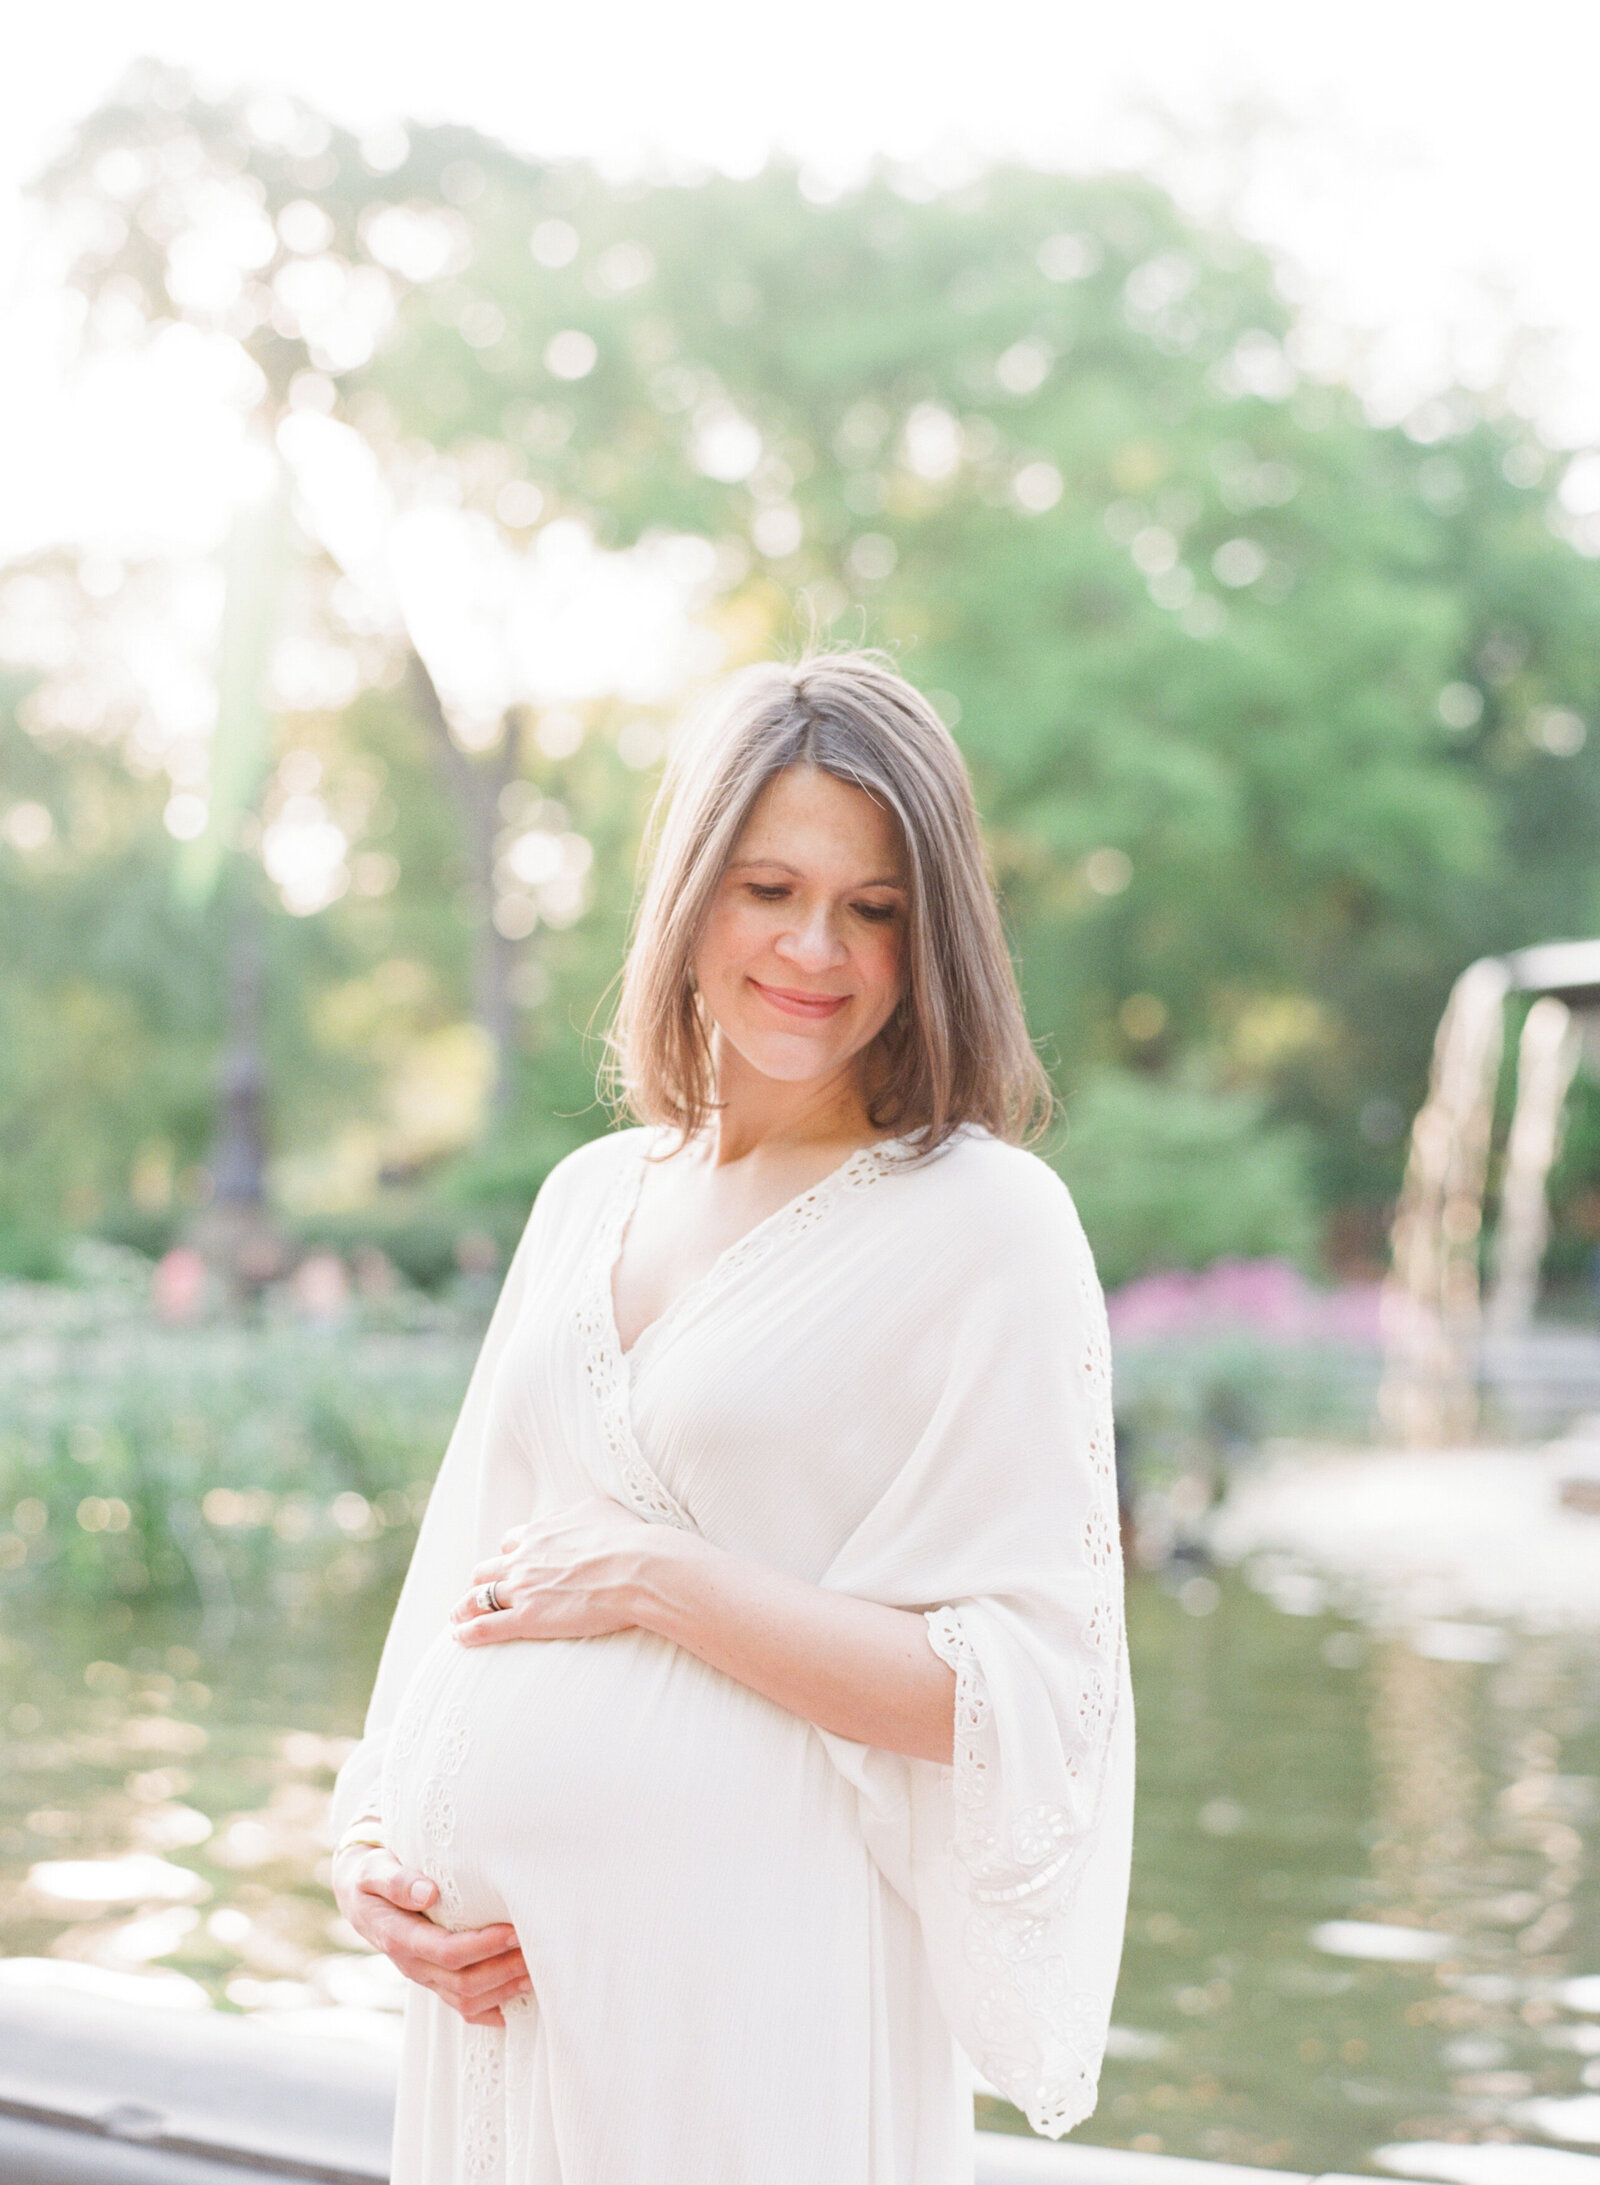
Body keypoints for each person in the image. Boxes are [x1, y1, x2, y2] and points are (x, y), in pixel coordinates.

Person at [330, 652, 1134, 2185]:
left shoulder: (988, 1224)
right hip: (499, 2012)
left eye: (874, 906)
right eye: (770, 886)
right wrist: (374, 1849)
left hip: (759, 1997)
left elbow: (1031, 1702)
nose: (815, 948)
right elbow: (463, 1577)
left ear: (931, 931)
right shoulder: (587, 1198)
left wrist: (656, 1578)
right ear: (692, 893)